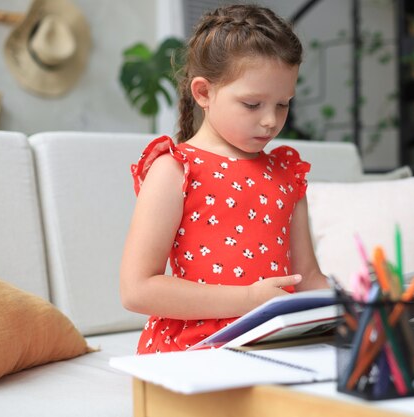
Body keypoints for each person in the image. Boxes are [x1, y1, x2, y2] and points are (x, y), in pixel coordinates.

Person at [120, 4, 329, 354]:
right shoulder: (175, 169)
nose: (270, 121)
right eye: (252, 104)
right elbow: (136, 289)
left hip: (276, 343)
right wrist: (248, 299)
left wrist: (359, 308)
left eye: (282, 104)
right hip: (195, 350)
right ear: (203, 93)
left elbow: (308, 278)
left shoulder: (287, 174)